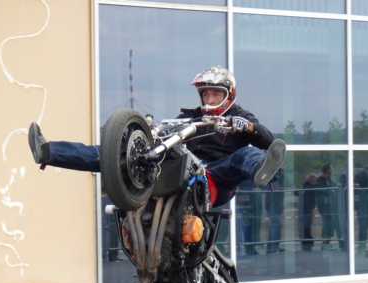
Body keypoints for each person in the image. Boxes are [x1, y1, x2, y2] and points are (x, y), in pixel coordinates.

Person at [27, 66, 283, 208]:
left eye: (215, 93)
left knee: (244, 155)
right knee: (116, 155)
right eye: (206, 94)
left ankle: (263, 170)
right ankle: (49, 151)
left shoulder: (240, 116)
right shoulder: (191, 117)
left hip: (216, 175)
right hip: (185, 170)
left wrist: (248, 128)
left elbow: (268, 140)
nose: (209, 98)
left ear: (228, 95)